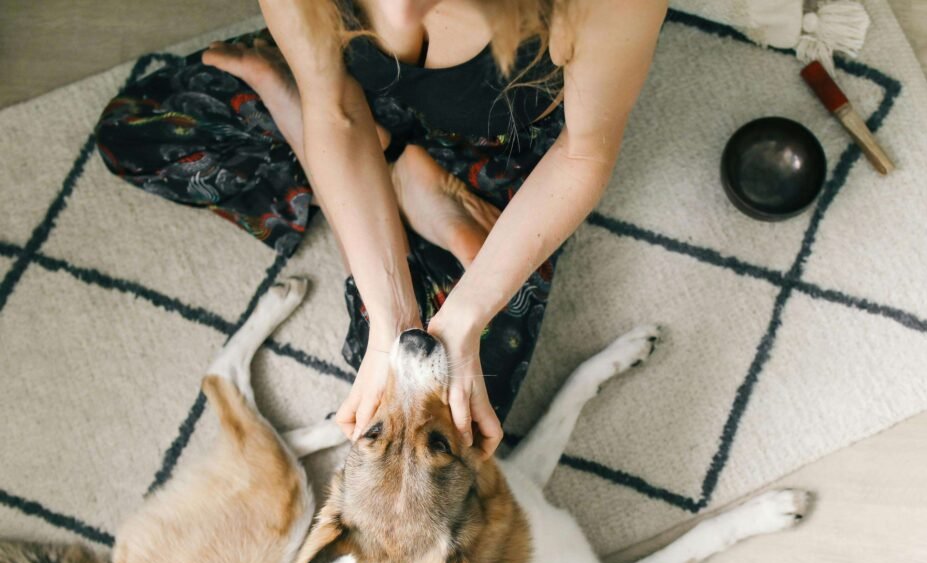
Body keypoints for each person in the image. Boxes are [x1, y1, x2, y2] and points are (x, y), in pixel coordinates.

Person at [95, 0, 667, 455]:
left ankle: (393, 172)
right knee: (135, 133)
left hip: (495, 142)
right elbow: (336, 110)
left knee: (457, 403)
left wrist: (462, 320)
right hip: (353, 98)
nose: (394, 13)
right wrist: (391, 317)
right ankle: (395, 166)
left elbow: (583, 155)